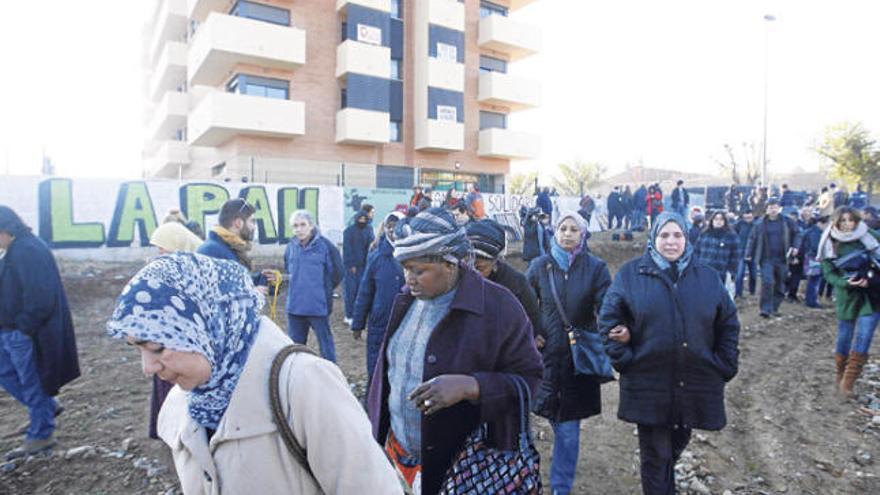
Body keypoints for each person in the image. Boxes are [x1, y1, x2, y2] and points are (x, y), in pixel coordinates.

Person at [107, 254, 401, 494]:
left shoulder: (304, 384)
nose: (147, 368)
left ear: (212, 327)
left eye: (158, 347)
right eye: (137, 348)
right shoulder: (181, 402)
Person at [367, 208, 543, 495]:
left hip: (462, 471)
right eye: (405, 268)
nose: (407, 279)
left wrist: (470, 386)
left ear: (450, 264)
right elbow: (387, 375)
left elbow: (531, 379)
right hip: (397, 461)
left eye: (418, 270)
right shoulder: (405, 301)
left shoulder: (499, 307)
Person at [599, 211, 740, 495]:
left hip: (693, 382)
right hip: (647, 382)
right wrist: (625, 359)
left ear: (687, 238)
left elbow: (728, 323)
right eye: (664, 235)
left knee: (674, 446)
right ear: (654, 238)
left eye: (677, 235)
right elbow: (608, 321)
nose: (671, 242)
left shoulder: (707, 277)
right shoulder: (630, 274)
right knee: (656, 456)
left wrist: (724, 364)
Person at [526, 211, 611, 495]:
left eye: (574, 229)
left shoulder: (596, 268)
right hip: (544, 360)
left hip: (577, 362)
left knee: (568, 432)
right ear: (555, 231)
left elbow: (607, 307)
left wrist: (611, 330)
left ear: (583, 234)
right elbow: (524, 305)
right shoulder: (539, 266)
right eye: (563, 228)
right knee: (530, 424)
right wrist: (531, 333)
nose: (568, 234)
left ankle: (560, 489)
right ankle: (524, 481)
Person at [0, 206, 80, 459]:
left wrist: (24, 328)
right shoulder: (17, 249)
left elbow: (40, 297)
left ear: (6, 229)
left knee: (31, 380)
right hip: (12, 329)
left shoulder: (27, 251)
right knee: (9, 373)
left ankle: (41, 434)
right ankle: (45, 408)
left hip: (24, 332)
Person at [143, 221, 205, 440]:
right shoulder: (165, 269)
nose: (159, 252)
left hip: (183, 342)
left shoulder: (194, 271)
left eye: (163, 247)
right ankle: (168, 429)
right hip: (164, 339)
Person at [818, 207, 880, 396]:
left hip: (872, 293)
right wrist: (846, 283)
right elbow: (829, 273)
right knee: (845, 336)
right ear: (836, 223)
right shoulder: (830, 242)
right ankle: (840, 372)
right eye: (842, 221)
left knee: (864, 336)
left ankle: (849, 381)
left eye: (850, 220)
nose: (847, 224)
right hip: (847, 295)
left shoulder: (869, 236)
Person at [351, 212, 405, 384]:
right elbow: (365, 292)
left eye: (397, 225)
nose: (393, 229)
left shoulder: (414, 256)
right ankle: (372, 405)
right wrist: (358, 323)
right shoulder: (377, 257)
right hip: (380, 323)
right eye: (390, 225)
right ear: (385, 227)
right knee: (376, 368)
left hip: (405, 322)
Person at [466, 219, 542, 340]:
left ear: (495, 261)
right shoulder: (455, 280)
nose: (472, 273)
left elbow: (532, 321)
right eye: (467, 265)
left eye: (480, 267)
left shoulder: (516, 284)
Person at [284, 210, 344, 362]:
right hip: (295, 308)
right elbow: (288, 270)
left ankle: (332, 376)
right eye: (295, 226)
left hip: (318, 307)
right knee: (295, 349)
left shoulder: (326, 246)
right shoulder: (291, 246)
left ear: (311, 226)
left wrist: (325, 289)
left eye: (303, 225)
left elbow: (338, 272)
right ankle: (295, 378)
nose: (299, 229)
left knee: (326, 347)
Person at [745, 198, 803, 318]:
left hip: (783, 258)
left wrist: (795, 247)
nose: (773, 210)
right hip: (766, 258)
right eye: (770, 207)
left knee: (780, 283)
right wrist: (748, 253)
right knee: (767, 282)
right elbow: (752, 239)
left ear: (779, 208)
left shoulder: (787, 222)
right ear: (766, 209)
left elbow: (797, 233)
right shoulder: (760, 224)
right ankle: (765, 309)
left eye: (775, 207)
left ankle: (774, 307)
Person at [197, 198, 273, 289]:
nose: (254, 227)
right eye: (252, 221)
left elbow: (236, 280)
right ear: (238, 223)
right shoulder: (211, 251)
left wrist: (263, 279)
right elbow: (213, 292)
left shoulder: (227, 247)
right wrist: (252, 294)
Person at [343, 211, 372, 326]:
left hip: (365, 266)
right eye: (360, 219)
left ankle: (360, 315)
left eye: (364, 219)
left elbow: (370, 246)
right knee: (351, 292)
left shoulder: (368, 230)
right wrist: (351, 265)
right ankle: (349, 315)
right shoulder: (349, 231)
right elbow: (347, 249)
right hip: (352, 267)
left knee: (362, 291)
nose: (362, 221)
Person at [693, 211, 739, 283]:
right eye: (716, 219)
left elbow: (735, 256)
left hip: (721, 272)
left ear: (725, 221)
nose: (718, 221)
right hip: (704, 271)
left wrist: (732, 272)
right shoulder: (704, 234)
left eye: (721, 219)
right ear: (712, 221)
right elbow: (696, 251)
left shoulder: (731, 236)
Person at [801, 213, 829, 309]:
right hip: (814, 258)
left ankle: (811, 300)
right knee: (814, 280)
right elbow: (815, 247)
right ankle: (811, 301)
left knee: (814, 280)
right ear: (821, 223)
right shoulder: (815, 233)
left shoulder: (813, 231)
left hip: (813, 258)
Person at [734, 211, 757, 298]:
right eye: (746, 217)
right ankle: (738, 293)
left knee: (754, 274)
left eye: (750, 217)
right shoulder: (738, 225)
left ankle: (752, 292)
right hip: (740, 253)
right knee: (739, 274)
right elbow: (733, 236)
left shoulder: (756, 226)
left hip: (753, 254)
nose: (748, 218)